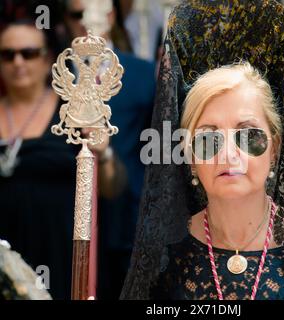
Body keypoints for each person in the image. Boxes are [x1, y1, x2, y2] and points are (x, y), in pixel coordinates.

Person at [121, 0, 284, 300]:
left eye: (248, 136)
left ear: (275, 148)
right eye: (208, 139)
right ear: (190, 157)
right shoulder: (163, 258)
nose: (229, 154)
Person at [0, 20, 125, 299]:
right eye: (7, 54)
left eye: (29, 52)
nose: (18, 62)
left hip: (61, 247)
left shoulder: (75, 111)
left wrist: (103, 153)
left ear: (48, 59)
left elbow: (112, 188)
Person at [64, 0, 157, 299]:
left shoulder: (142, 74)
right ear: (65, 20)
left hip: (126, 218)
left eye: (94, 12)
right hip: (63, 217)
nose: (86, 23)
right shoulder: (52, 73)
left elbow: (155, 148)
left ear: (111, 13)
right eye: (77, 14)